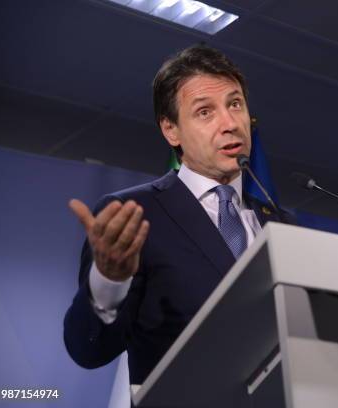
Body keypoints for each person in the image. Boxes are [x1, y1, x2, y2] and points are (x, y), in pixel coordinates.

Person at [63, 44, 293, 385]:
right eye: (205, 112)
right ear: (171, 130)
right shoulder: (136, 216)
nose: (230, 123)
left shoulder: (280, 223)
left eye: (235, 104)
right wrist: (108, 281)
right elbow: (88, 350)